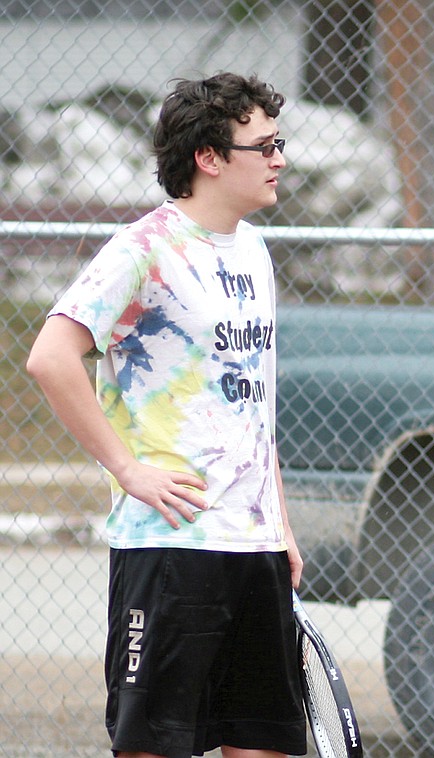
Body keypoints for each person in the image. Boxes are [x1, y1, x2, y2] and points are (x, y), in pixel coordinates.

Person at [25, 72, 305, 758]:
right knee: (155, 745)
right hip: (172, 545)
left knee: (263, 744)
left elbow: (250, 400)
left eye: (280, 143)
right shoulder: (145, 247)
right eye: (263, 146)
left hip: (254, 547)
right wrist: (127, 468)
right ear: (210, 158)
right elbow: (51, 358)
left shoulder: (255, 251)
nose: (280, 159)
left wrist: (281, 528)